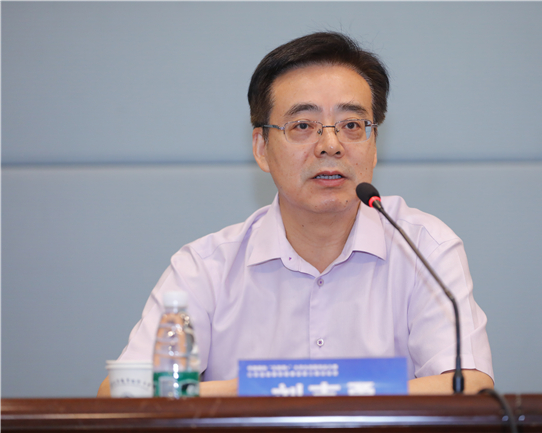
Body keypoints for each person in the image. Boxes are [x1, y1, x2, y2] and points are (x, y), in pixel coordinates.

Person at [97, 32, 494, 397]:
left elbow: (471, 387)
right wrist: (278, 390)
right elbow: (123, 394)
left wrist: (286, 390)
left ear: (373, 145)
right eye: (303, 125)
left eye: (352, 125)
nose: (330, 144)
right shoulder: (205, 269)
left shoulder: (424, 248)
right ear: (261, 148)